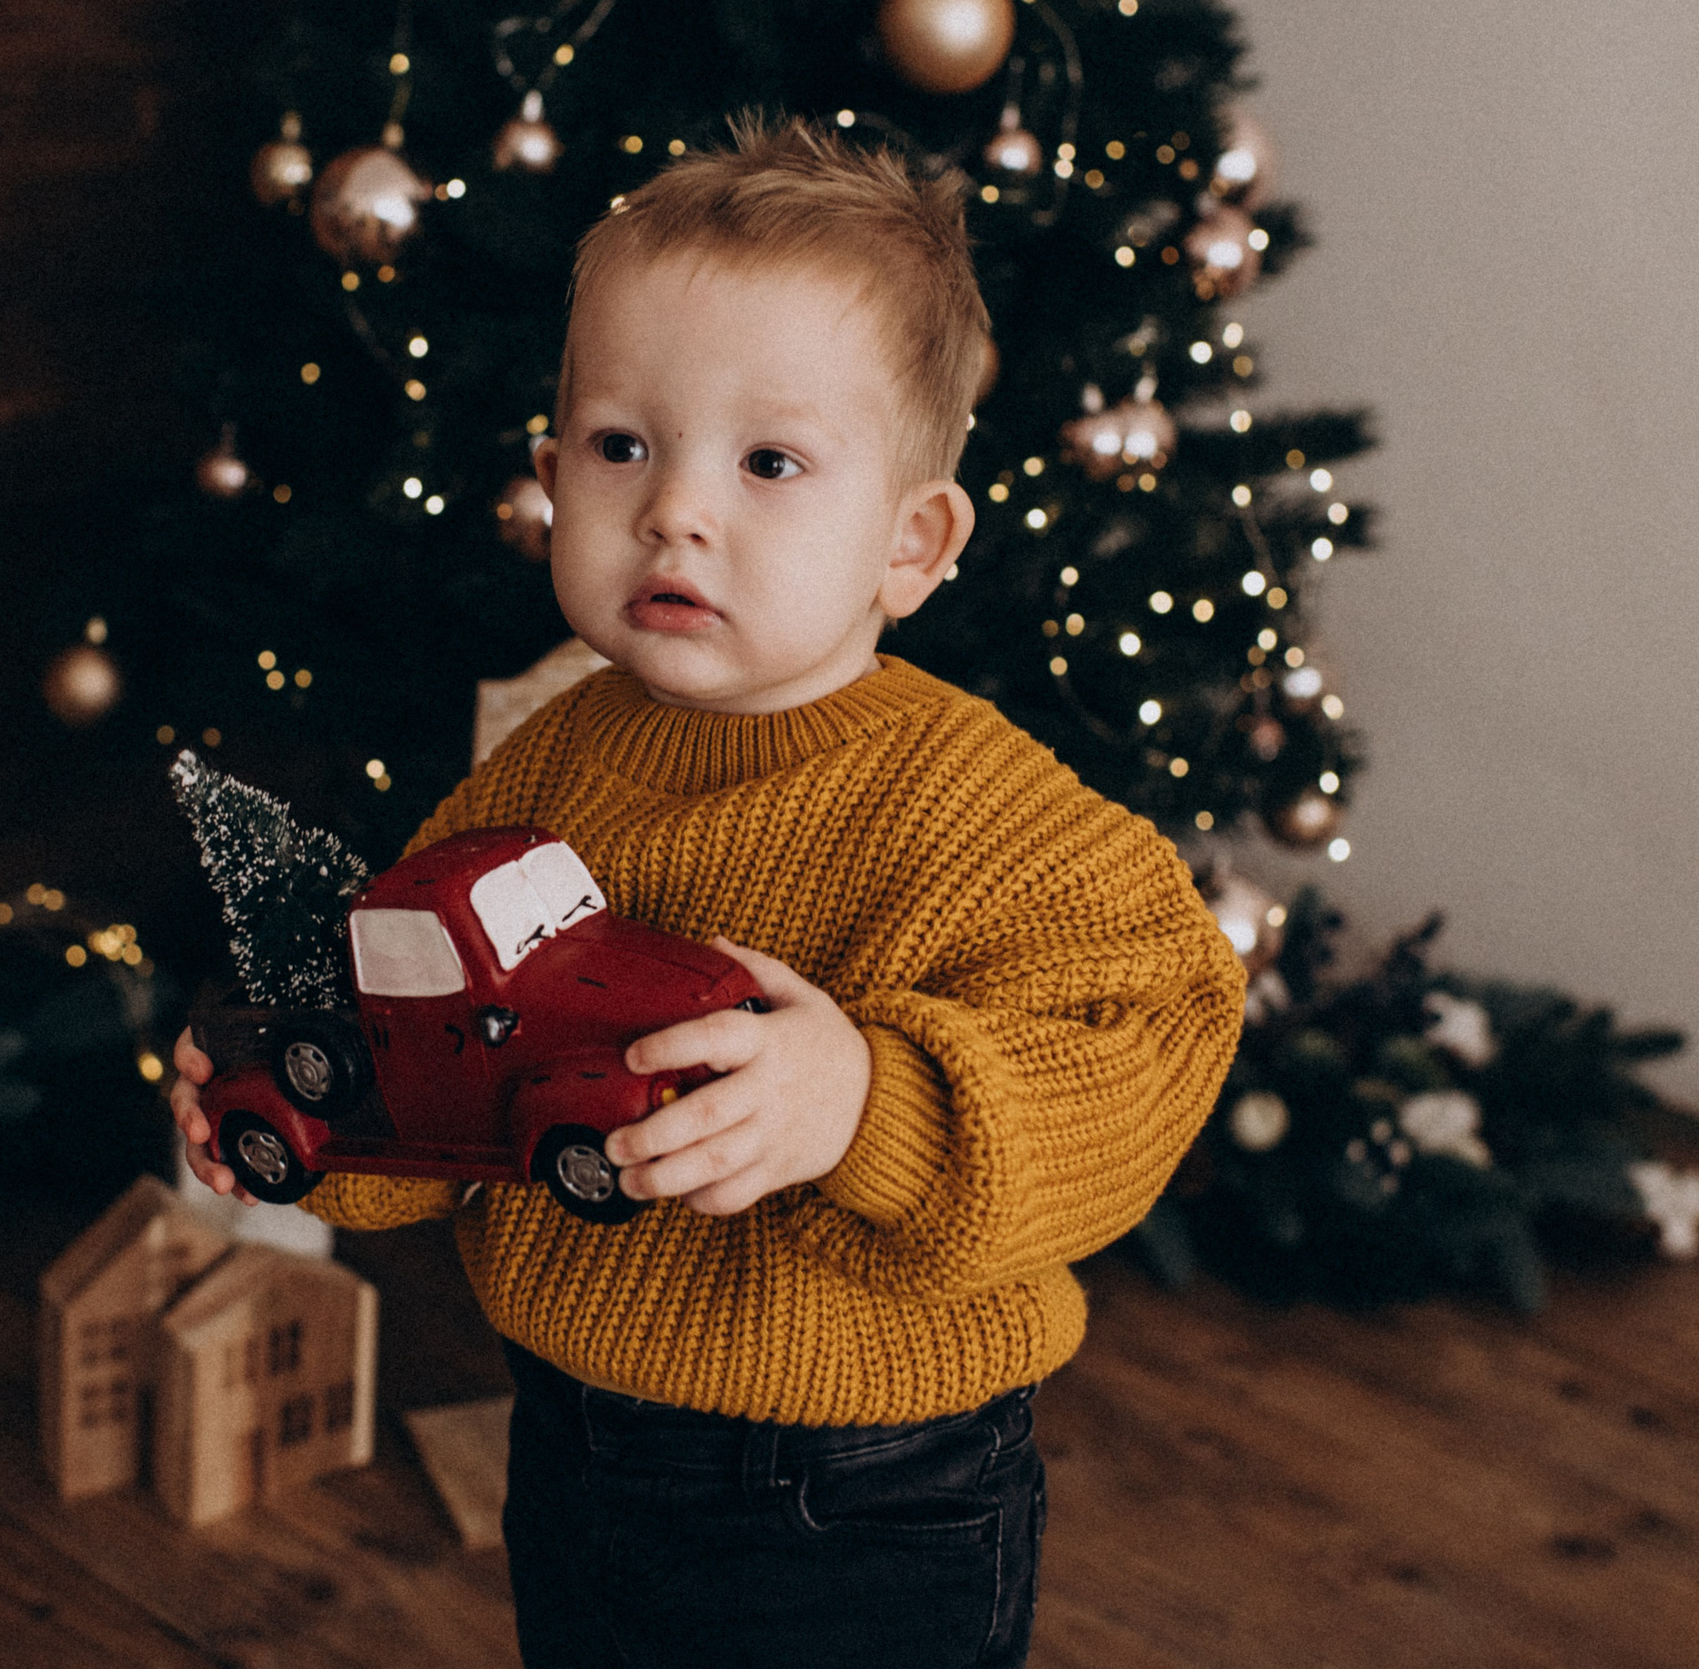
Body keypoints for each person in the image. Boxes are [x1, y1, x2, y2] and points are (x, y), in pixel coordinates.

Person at [169, 115, 1246, 1669]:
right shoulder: (550, 765)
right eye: (623, 445)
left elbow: (1159, 1036)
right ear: (549, 480)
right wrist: (307, 1130)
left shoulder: (976, 807)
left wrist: (866, 1097)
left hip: (862, 1493)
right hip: (582, 1445)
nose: (678, 508)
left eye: (769, 461)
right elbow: (441, 1067)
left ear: (911, 540)